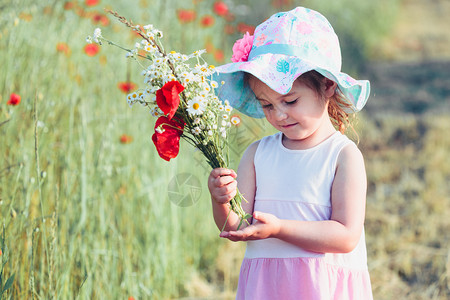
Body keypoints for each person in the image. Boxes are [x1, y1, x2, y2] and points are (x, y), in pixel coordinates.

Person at [208, 6, 373, 300]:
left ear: (327, 85)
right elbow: (236, 226)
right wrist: (221, 200)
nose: (279, 115)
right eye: (267, 105)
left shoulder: (342, 156)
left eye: (291, 100)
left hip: (321, 286)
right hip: (267, 286)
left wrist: (280, 228)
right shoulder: (257, 155)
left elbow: (346, 236)